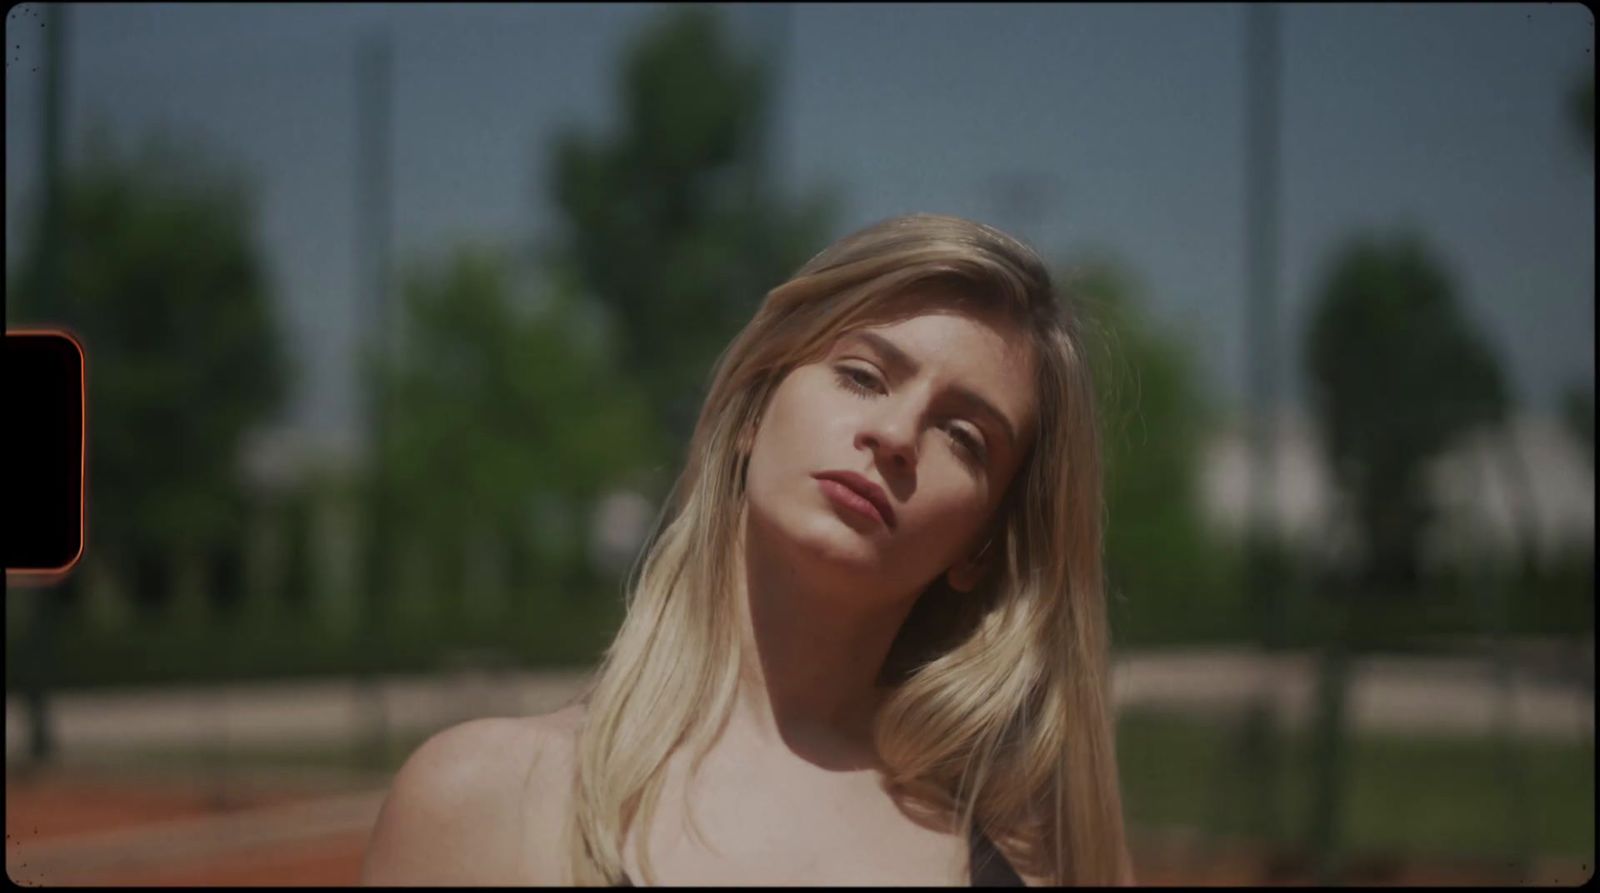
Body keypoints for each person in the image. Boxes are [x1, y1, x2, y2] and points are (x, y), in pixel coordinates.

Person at [360, 213, 1136, 886]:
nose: (896, 436)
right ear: (754, 413)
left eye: (964, 436)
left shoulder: (1044, 852)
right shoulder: (485, 801)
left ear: (982, 546)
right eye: (863, 376)